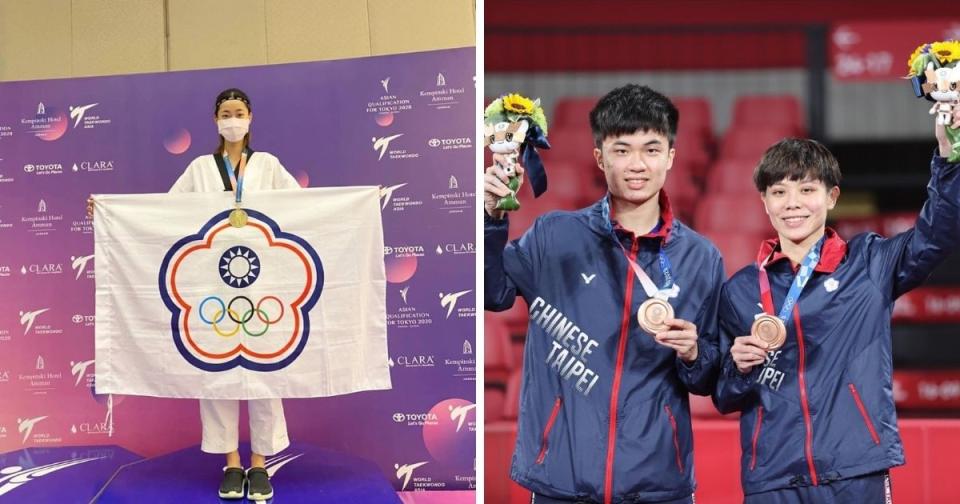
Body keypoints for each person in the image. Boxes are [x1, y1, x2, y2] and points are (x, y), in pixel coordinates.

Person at [484, 84, 725, 504]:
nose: (637, 164)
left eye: (651, 149)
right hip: (562, 480)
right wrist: (491, 221)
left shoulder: (701, 257)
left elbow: (709, 377)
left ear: (670, 156)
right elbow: (494, 293)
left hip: (657, 485)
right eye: (621, 150)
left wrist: (692, 354)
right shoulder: (554, 235)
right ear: (600, 157)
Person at [713, 111, 960, 503]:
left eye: (807, 190)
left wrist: (949, 156)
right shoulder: (740, 290)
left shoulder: (869, 264)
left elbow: (939, 234)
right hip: (773, 480)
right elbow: (724, 394)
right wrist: (738, 368)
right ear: (764, 201)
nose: (792, 204)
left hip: (854, 471)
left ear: (832, 196)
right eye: (778, 192)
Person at [89, 88, 298, 500]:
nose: (232, 119)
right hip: (211, 283)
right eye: (225, 113)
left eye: (239, 112)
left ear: (251, 117)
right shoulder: (201, 168)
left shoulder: (269, 166)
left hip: (263, 282)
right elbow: (166, 212)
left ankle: (259, 465)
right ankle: (231, 464)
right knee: (216, 372)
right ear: (215, 120)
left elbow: (303, 208)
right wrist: (111, 214)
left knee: (265, 372)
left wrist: (357, 204)